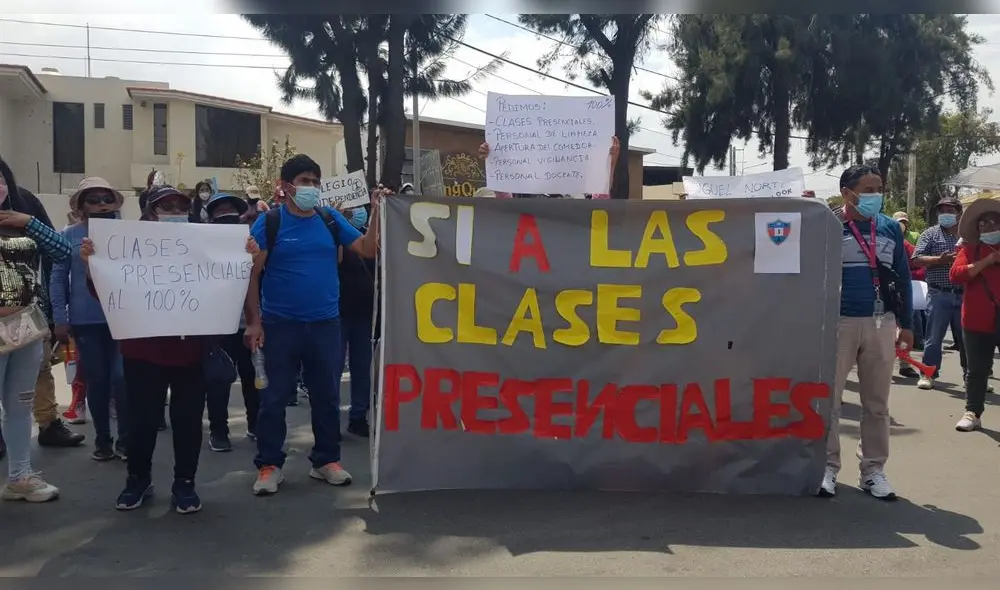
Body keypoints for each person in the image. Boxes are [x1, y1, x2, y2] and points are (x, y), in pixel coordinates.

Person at [80, 185, 260, 513]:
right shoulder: (126, 245)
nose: (174, 210)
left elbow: (229, 281)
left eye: (180, 205)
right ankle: (137, 479)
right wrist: (94, 263)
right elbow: (104, 292)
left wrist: (245, 254)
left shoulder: (205, 243)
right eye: (166, 205)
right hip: (141, 352)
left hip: (189, 352)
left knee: (188, 420)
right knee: (142, 420)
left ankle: (185, 483)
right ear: (150, 211)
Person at [243, 154, 380, 496]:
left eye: (315, 182)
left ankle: (326, 461)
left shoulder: (329, 218)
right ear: (286, 186)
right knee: (274, 399)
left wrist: (377, 212)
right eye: (305, 181)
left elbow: (367, 248)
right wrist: (254, 322)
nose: (311, 188)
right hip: (279, 325)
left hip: (325, 325)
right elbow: (251, 273)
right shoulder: (269, 223)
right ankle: (269, 465)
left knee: (327, 397)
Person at [820, 164, 913, 501]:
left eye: (879, 188)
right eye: (869, 189)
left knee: (876, 403)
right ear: (847, 193)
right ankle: (826, 468)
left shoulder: (889, 228)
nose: (876, 195)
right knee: (829, 399)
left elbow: (902, 278)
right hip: (838, 322)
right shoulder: (828, 226)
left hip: (881, 322)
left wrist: (907, 324)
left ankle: (873, 470)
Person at [0, 156, 73, 502]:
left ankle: (20, 476)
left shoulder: (23, 213)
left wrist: (29, 222)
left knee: (20, 404)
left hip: (26, 326)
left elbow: (64, 252)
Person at [50, 177, 129, 461]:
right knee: (97, 380)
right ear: (81, 205)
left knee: (121, 379)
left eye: (106, 199)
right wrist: (60, 318)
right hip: (85, 321)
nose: (101, 205)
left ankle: (126, 439)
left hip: (124, 318)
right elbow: (58, 279)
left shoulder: (129, 233)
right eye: (93, 200)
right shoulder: (67, 235)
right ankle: (103, 440)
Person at [202, 191, 259, 451]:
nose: (225, 214)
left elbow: (260, 278)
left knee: (252, 376)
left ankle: (255, 425)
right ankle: (218, 431)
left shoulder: (251, 243)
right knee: (218, 379)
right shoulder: (200, 245)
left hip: (247, 323)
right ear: (211, 217)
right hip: (216, 325)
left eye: (230, 210)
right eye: (219, 210)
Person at [949, 198, 1000, 431]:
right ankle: (973, 412)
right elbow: (956, 275)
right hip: (976, 320)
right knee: (976, 369)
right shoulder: (970, 250)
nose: (986, 227)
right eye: (982, 224)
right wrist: (986, 261)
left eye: (991, 223)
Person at [912, 197, 968, 390]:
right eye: (942, 210)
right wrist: (939, 260)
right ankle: (928, 374)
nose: (946, 214)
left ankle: (972, 378)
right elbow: (917, 258)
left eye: (950, 210)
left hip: (965, 294)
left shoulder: (967, 234)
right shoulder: (931, 234)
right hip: (939, 293)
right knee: (934, 338)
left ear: (959, 212)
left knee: (967, 339)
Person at [337, 203, 377, 437]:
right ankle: (330, 417)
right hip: (338, 313)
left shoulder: (371, 241)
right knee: (332, 368)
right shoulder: (338, 239)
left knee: (362, 367)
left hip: (364, 313)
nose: (353, 215)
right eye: (348, 212)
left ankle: (359, 415)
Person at [478, 136, 620, 199]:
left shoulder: (579, 195)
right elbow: (507, 206)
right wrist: (493, 159)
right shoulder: (528, 193)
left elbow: (600, 204)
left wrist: (610, 163)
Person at [896, 214, 927, 378]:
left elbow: (919, 266)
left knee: (904, 329)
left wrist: (910, 277)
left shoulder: (906, 246)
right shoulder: (879, 244)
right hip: (883, 292)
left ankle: (904, 364)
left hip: (902, 290)